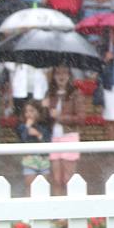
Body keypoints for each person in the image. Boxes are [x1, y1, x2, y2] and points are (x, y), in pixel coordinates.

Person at [44, 64, 85, 196]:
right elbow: (44, 119)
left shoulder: (75, 94)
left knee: (69, 178)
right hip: (54, 137)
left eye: (64, 73)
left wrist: (60, 117)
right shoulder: (50, 94)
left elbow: (81, 118)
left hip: (69, 136)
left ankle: (71, 209)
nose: (61, 77)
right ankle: (58, 212)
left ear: (69, 76)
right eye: (58, 74)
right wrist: (43, 109)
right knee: (56, 178)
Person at [16, 101, 52, 195]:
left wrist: (39, 135)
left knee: (44, 187)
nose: (28, 114)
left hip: (43, 160)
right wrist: (27, 127)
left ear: (38, 112)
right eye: (26, 111)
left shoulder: (44, 126)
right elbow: (22, 140)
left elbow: (47, 142)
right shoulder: (21, 127)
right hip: (29, 160)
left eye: (31, 111)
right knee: (30, 187)